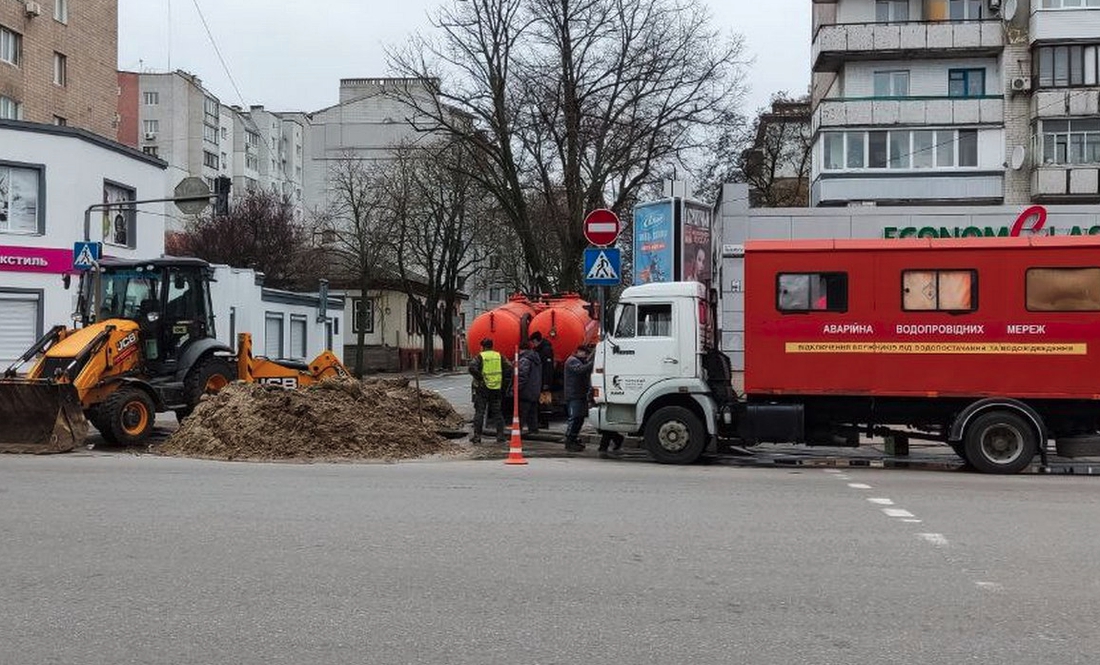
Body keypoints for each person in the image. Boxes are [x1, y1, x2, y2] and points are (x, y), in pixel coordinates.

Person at [469, 338, 511, 444]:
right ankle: (500, 436)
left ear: (483, 347)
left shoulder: (480, 356)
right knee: (497, 413)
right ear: (492, 346)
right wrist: (502, 380)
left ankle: (477, 436)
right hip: (496, 388)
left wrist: (480, 378)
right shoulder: (499, 356)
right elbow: (509, 368)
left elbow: (472, 368)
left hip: (483, 388)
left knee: (480, 412)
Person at [562, 345, 594, 452]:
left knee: (579, 419)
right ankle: (570, 440)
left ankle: (574, 439)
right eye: (585, 353)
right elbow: (580, 370)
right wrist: (592, 363)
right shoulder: (572, 361)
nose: (586, 356)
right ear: (579, 352)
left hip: (580, 394)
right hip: (574, 395)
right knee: (574, 418)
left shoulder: (579, 361)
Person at [516, 338, 543, 435]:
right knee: (532, 412)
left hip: (525, 391)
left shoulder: (525, 360)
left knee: (522, 413)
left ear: (521, 349)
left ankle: (517, 432)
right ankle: (533, 430)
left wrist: (516, 389)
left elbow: (522, 376)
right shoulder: (536, 358)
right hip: (535, 390)